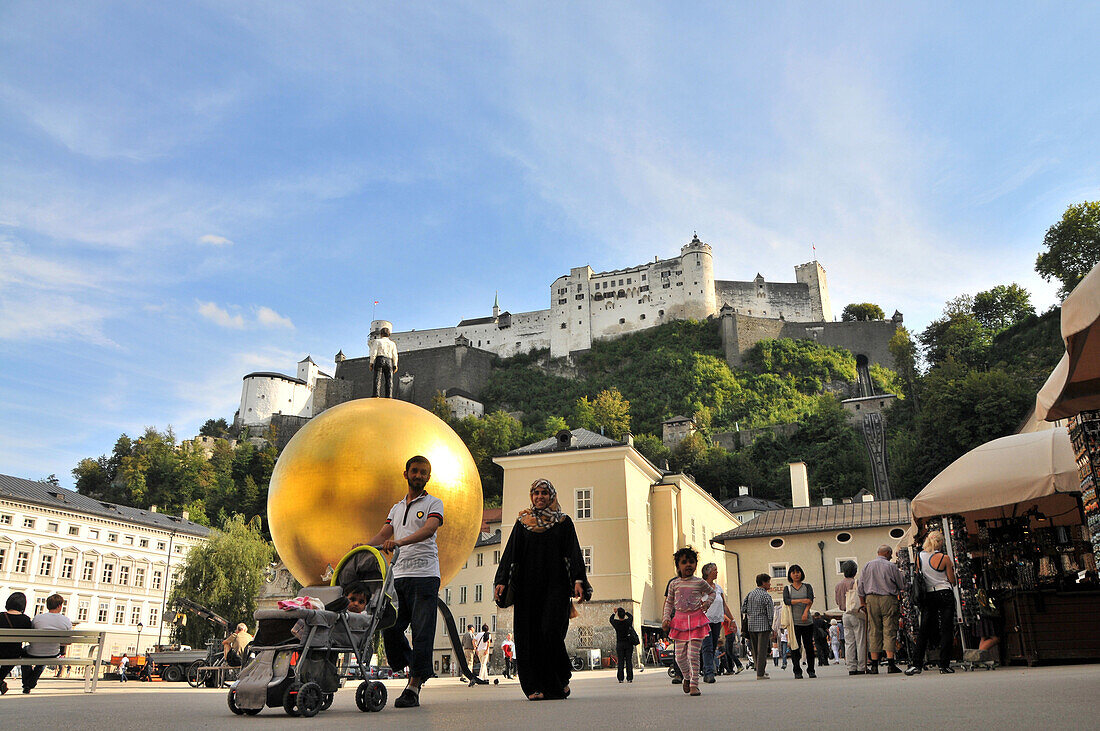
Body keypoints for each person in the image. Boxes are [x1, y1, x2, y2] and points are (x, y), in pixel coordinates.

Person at [494, 478, 589, 701]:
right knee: (528, 636)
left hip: (555, 586)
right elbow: (511, 553)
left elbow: (574, 552)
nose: (539, 497)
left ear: (552, 496)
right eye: (536, 493)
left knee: (550, 632)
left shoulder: (563, 522)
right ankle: (534, 686)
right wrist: (501, 580)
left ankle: (560, 678)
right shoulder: (523, 522)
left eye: (544, 493)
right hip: (527, 588)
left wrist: (578, 580)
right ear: (531, 496)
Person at [366, 455, 444, 708]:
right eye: (415, 471)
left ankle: (414, 685)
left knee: (422, 632)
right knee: (390, 626)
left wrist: (399, 542)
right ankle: (415, 666)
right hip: (398, 576)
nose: (419, 475)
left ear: (428, 477)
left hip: (425, 575)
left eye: (423, 472)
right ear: (406, 474)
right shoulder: (396, 508)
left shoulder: (434, 503)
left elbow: (429, 529)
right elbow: (383, 534)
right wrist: (364, 546)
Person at [662, 547, 715, 696]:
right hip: (679, 622)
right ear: (678, 566)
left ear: (696, 565)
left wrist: (707, 603)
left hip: (697, 620)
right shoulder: (674, 584)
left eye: (691, 562)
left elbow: (712, 592)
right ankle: (686, 677)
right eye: (684, 562)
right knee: (679, 657)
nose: (688, 565)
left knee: (693, 655)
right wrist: (666, 618)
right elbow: (669, 603)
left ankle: (694, 684)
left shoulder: (699, 582)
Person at [906, 530, 958, 675]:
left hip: (928, 594)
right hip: (944, 592)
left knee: (924, 629)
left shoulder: (919, 557)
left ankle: (916, 664)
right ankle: (944, 664)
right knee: (947, 628)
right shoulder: (944, 558)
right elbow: (952, 580)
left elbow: (918, 575)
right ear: (941, 542)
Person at [860, 545, 904, 674]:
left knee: (874, 630)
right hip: (888, 599)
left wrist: (863, 603)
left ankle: (874, 665)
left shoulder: (867, 565)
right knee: (889, 629)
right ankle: (891, 664)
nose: (891, 556)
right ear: (887, 553)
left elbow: (860, 586)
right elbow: (901, 584)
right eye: (890, 554)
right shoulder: (891, 566)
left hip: (870, 599)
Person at [22, 593, 73, 692]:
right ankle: (30, 683)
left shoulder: (38, 618)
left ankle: (27, 683)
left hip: (34, 652)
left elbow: (30, 636)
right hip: (52, 653)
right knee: (44, 658)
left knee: (23, 653)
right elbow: (68, 642)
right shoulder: (65, 620)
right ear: (59, 606)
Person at [699, 562, 734, 684]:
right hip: (704, 621)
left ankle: (705, 669)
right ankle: (709, 673)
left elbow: (724, 605)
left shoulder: (718, 588)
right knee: (707, 646)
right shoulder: (701, 587)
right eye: (715, 570)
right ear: (707, 572)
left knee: (713, 646)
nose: (717, 572)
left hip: (717, 621)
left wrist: (732, 619)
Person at [782, 564, 817, 679]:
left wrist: (806, 611)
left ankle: (811, 670)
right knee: (795, 648)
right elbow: (787, 601)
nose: (796, 574)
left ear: (801, 573)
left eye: (798, 572)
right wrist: (802, 600)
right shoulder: (788, 588)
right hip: (794, 623)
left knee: (809, 647)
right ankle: (797, 670)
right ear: (790, 575)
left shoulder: (807, 586)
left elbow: (810, 600)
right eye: (793, 572)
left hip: (807, 621)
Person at [741, 573, 776, 680]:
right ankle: (760, 673)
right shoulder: (766, 596)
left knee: (755, 650)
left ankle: (759, 670)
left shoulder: (750, 594)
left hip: (751, 625)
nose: (770, 584)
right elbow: (770, 613)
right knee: (762, 650)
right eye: (769, 582)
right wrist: (771, 626)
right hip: (763, 625)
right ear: (764, 583)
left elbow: (743, 609)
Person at [835, 560, 867, 675]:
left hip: (845, 614)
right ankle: (861, 666)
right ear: (855, 571)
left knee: (849, 642)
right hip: (856, 613)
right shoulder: (856, 583)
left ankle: (851, 667)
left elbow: (838, 602)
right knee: (860, 640)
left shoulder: (838, 585)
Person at [1, 592, 34, 695]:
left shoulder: (0, 616)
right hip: (14, 653)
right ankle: (27, 685)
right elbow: (29, 638)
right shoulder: (25, 619)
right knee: (21, 654)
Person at [369, 326, 399, 398]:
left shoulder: (377, 341)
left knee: (377, 378)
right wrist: (395, 365)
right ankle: (389, 395)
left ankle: (376, 395)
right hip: (389, 361)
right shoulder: (392, 344)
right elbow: (395, 355)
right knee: (389, 379)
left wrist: (371, 363)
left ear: (381, 334)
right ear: (389, 334)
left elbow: (373, 352)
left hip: (380, 359)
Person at [609, 607, 637, 683]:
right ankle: (629, 678)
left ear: (618, 615)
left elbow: (611, 619)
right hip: (628, 644)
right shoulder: (628, 622)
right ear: (624, 615)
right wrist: (626, 612)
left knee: (620, 662)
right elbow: (631, 616)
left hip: (620, 644)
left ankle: (620, 678)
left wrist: (614, 613)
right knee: (628, 661)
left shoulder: (616, 623)